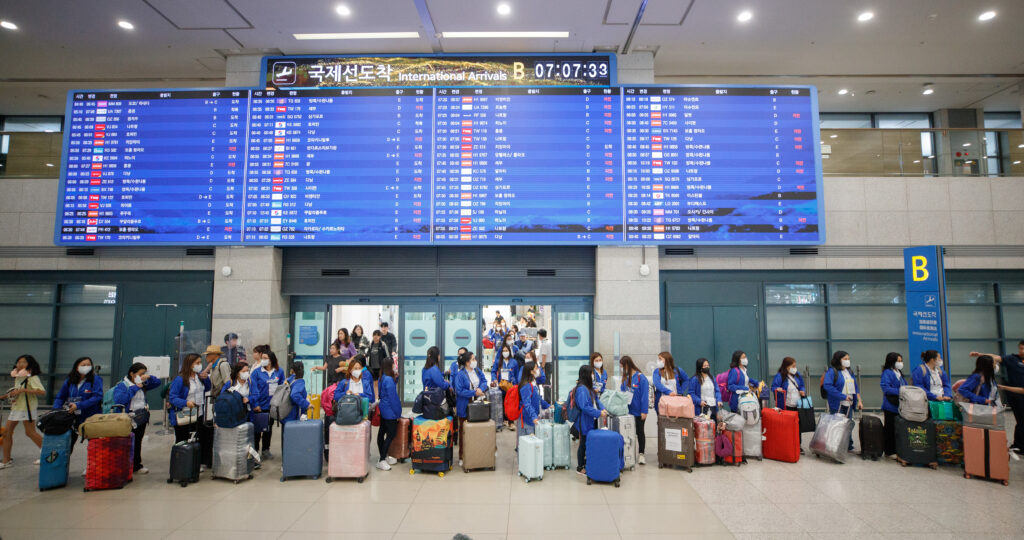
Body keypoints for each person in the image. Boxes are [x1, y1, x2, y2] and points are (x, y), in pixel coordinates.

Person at [970, 343, 1024, 453]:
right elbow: (995, 357)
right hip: (1017, 397)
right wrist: (981, 355)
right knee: (1022, 421)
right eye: (1020, 348)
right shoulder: (1013, 359)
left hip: (1019, 392)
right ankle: (1018, 445)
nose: (1021, 351)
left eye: (1023, 349)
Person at [111, 361, 161, 474]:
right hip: (127, 417)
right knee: (126, 442)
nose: (143, 376)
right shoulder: (122, 385)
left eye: (144, 373)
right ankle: (124, 465)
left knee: (138, 441)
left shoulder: (143, 383)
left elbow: (157, 382)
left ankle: (136, 465)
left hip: (141, 417)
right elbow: (120, 400)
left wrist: (149, 377)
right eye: (141, 374)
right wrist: (135, 388)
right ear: (132, 374)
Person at [168, 353, 214, 468]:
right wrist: (185, 403)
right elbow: (173, 398)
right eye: (197, 363)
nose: (199, 365)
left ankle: (198, 462)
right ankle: (182, 465)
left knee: (200, 438)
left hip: (198, 414)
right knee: (183, 440)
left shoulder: (199, 377)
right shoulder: (180, 379)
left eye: (200, 362)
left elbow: (207, 388)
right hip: (185, 415)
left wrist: (206, 378)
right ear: (190, 364)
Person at [52, 356, 104, 456]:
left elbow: (97, 396)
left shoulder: (95, 379)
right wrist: (56, 410)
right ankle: (61, 467)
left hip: (90, 416)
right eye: (83, 365)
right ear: (77, 367)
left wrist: (79, 405)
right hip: (71, 416)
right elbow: (60, 397)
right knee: (67, 443)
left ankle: (92, 469)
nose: (86, 367)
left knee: (93, 443)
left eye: (88, 365)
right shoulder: (70, 380)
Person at [1, 355, 46, 469]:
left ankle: (47, 453)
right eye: (18, 362)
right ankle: (6, 460)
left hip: (27, 408)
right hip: (16, 407)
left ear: (30, 364)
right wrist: (5, 396)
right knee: (6, 433)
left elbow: (41, 392)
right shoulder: (18, 377)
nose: (20, 364)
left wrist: (23, 390)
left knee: (30, 432)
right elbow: (16, 391)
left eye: (24, 362)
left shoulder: (32, 377)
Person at [453, 351, 487, 463]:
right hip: (464, 405)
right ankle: (462, 455)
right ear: (467, 362)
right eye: (473, 359)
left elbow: (484, 381)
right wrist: (474, 393)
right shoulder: (460, 375)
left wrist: (480, 389)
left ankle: (476, 453)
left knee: (477, 429)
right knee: (464, 431)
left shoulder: (477, 370)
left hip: (478, 404)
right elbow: (459, 391)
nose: (475, 361)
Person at [572, 365, 607, 475]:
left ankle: (587, 463)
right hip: (584, 422)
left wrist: (603, 408)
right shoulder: (582, 389)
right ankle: (580, 466)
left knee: (588, 443)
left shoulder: (589, 387)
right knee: (583, 443)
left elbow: (596, 400)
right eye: (591, 373)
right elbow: (584, 407)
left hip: (591, 420)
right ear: (586, 375)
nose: (593, 375)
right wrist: (599, 413)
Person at [824, 350, 862, 451]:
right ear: (838, 360)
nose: (847, 361)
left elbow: (855, 386)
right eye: (845, 359)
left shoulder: (849, 372)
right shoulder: (832, 372)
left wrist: (859, 400)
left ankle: (848, 445)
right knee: (837, 426)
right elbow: (827, 386)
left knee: (848, 425)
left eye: (848, 359)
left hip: (849, 403)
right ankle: (835, 445)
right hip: (837, 404)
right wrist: (842, 396)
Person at [252, 350, 284, 458]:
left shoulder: (279, 372)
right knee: (257, 430)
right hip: (260, 406)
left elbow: (282, 388)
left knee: (268, 428)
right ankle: (255, 451)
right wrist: (255, 404)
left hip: (272, 406)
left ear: (271, 360)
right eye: (262, 358)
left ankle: (266, 449)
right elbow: (253, 389)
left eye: (265, 358)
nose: (263, 360)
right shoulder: (256, 372)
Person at [619, 355, 650, 465]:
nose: (622, 369)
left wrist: (644, 411)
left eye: (622, 366)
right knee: (628, 433)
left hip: (639, 412)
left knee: (640, 432)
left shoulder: (641, 378)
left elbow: (644, 396)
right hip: (628, 412)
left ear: (628, 365)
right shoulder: (625, 379)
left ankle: (641, 454)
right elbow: (622, 395)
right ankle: (628, 453)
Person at [375, 357, 402, 471]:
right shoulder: (388, 380)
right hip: (390, 411)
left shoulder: (383, 378)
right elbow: (393, 398)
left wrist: (396, 377)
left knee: (382, 432)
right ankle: (382, 459)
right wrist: (398, 412)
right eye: (393, 365)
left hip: (383, 409)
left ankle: (383, 456)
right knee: (391, 434)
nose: (394, 367)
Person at [879, 352, 907, 459]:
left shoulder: (899, 373)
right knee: (889, 429)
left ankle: (896, 449)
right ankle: (889, 451)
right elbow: (886, 388)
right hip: (890, 405)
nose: (900, 363)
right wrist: (900, 391)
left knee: (897, 428)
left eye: (901, 361)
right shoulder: (887, 373)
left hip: (900, 405)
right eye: (898, 361)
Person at [518, 361, 550, 441]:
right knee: (528, 445)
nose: (538, 369)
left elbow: (538, 399)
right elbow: (527, 404)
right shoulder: (526, 386)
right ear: (531, 371)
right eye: (536, 368)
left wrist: (547, 405)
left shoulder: (534, 383)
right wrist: (534, 417)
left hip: (533, 419)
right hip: (527, 420)